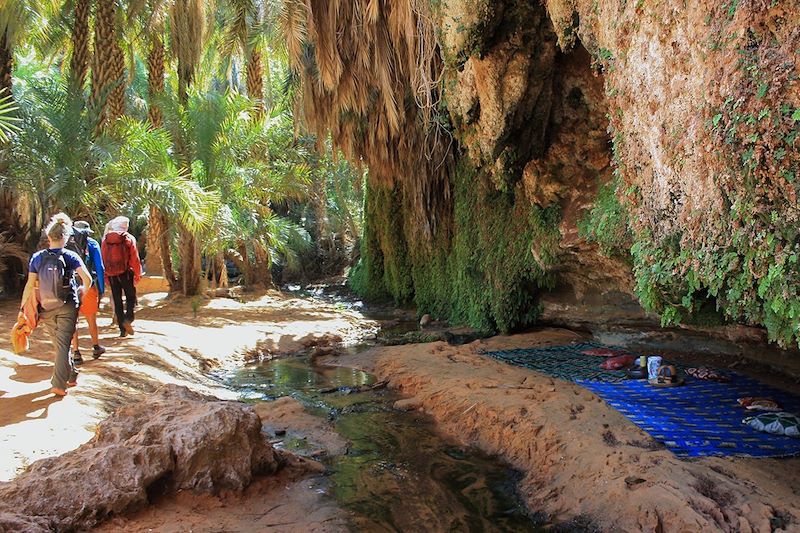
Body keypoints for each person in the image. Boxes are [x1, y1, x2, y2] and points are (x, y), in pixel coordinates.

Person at [18, 213, 92, 397]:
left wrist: (23, 307)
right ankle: (59, 383)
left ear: (49, 237)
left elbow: (30, 285)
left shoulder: (37, 258)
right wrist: (83, 290)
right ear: (65, 237)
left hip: (46, 306)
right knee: (63, 344)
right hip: (68, 304)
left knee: (60, 344)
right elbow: (87, 279)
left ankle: (71, 374)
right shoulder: (71, 256)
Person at [68, 220, 106, 364]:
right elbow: (99, 267)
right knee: (91, 318)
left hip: (71, 287)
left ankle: (76, 353)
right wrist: (101, 289)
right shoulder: (92, 244)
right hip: (88, 286)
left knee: (73, 320)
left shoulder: (66, 243)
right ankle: (96, 347)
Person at [101, 216, 142, 337]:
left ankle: (122, 329)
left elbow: (103, 258)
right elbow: (135, 258)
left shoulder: (106, 239)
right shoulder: (128, 238)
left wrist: (106, 275)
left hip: (112, 274)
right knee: (130, 297)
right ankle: (128, 319)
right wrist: (137, 274)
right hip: (126, 273)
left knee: (117, 299)